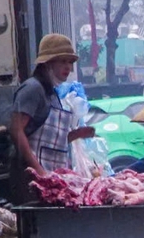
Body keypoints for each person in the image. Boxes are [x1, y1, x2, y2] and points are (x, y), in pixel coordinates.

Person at [10, 35, 94, 191]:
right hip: (30, 181)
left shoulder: (52, 93)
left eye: (70, 62)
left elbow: (52, 142)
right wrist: (39, 172)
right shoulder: (32, 89)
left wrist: (77, 134)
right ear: (47, 63)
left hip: (52, 179)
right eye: (62, 61)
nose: (68, 67)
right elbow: (16, 130)